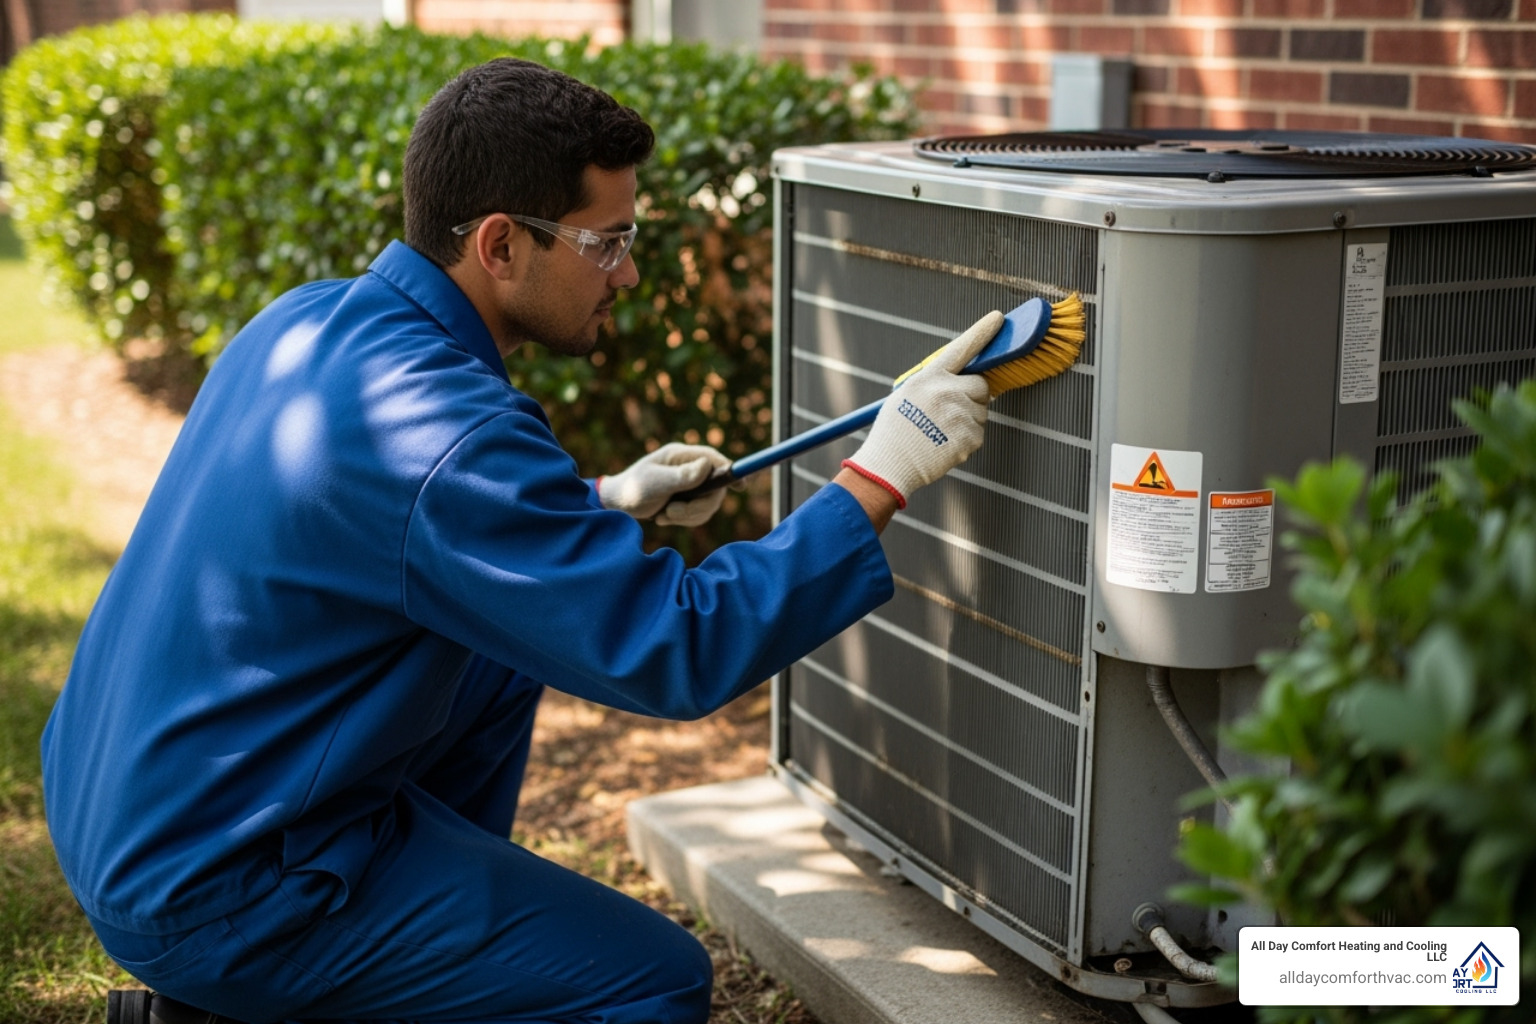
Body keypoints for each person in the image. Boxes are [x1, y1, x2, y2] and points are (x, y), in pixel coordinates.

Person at [44, 57, 1001, 1024]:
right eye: (607, 242)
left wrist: (602, 502)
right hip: (220, 885)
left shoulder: (307, 321)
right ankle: (292, 973)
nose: (627, 271)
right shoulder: (449, 435)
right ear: (500, 245)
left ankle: (374, 973)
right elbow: (677, 648)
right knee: (650, 983)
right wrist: (880, 479)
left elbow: (382, 521)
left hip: (123, 807)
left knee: (499, 659)